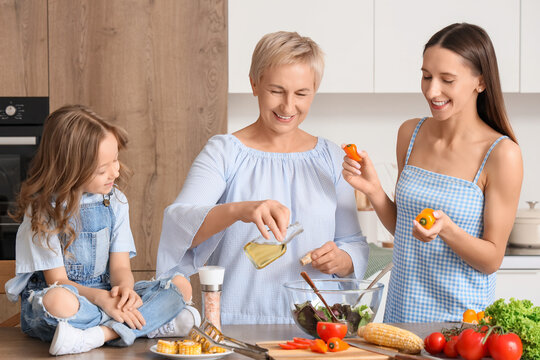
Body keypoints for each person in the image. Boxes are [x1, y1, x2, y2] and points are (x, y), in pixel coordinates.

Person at [157, 31, 369, 324]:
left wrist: (343, 260)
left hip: (318, 328)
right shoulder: (225, 153)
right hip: (238, 323)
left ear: (315, 90)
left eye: (301, 94)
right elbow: (180, 223)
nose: (288, 106)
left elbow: (352, 242)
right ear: (254, 83)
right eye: (277, 90)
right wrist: (240, 210)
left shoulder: (331, 158)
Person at [342, 23, 523, 323]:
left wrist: (448, 230)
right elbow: (405, 230)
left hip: (461, 327)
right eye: (426, 76)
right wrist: (374, 190)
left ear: (481, 82)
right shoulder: (410, 133)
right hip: (401, 317)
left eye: (447, 80)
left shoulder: (502, 154)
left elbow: (492, 259)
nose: (431, 90)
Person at [4, 105, 200, 355]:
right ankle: (148, 323)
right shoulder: (44, 211)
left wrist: (125, 290)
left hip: (107, 296)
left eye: (116, 160)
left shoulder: (115, 201)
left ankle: (101, 334)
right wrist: (102, 300)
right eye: (102, 169)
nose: (115, 172)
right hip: (74, 300)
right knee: (58, 302)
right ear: (71, 169)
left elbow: (120, 269)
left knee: (180, 285)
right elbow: (58, 282)